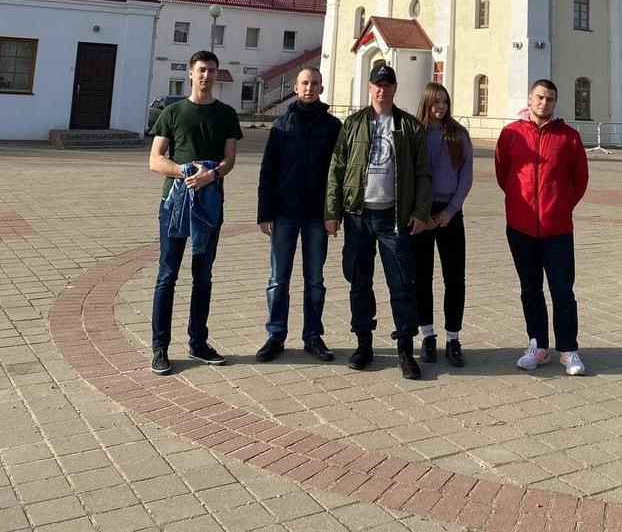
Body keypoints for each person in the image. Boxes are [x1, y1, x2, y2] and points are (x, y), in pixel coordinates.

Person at [325, 62, 432, 379]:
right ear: (370, 88)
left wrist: (420, 211)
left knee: (401, 284)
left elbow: (424, 173)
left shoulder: (410, 126)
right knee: (359, 282)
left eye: (387, 85)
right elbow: (337, 168)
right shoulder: (354, 124)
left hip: (394, 218)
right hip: (358, 216)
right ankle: (364, 344)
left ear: (395, 88)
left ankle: (404, 350)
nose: (382, 90)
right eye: (377, 85)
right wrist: (332, 212)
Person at [148, 50, 243, 375]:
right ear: (190, 73)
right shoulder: (172, 113)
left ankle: (198, 342)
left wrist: (212, 175)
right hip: (174, 204)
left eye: (212, 71)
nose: (206, 76)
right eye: (201, 70)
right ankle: (160, 347)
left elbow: (229, 160)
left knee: (202, 276)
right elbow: (155, 159)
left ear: (217, 75)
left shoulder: (227, 114)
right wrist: (185, 172)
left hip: (210, 204)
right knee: (167, 275)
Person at [495, 79, 589, 374]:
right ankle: (537, 346)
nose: (543, 103)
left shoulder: (569, 137)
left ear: (554, 102)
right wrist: (518, 204)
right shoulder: (511, 134)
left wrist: (560, 205)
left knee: (563, 291)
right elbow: (503, 173)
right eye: (539, 97)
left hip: (557, 228)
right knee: (530, 289)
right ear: (529, 99)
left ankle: (568, 350)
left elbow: (580, 179)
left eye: (549, 99)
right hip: (521, 228)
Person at [255, 67, 341, 362]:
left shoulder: (332, 126)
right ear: (295, 88)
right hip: (284, 214)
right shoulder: (281, 125)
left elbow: (336, 174)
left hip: (317, 215)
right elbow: (268, 171)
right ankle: (275, 335)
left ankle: (313, 335)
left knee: (314, 279)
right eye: (305, 83)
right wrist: (264, 211)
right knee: (278, 278)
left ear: (321, 87)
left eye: (315, 83)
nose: (309, 88)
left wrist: (334, 212)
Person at [412, 83, 473, 367]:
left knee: (454, 278)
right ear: (426, 103)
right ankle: (427, 335)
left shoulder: (458, 135)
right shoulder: (415, 134)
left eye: (445, 103)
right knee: (422, 277)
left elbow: (466, 177)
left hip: (450, 213)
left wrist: (451, 210)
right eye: (436, 102)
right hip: (422, 214)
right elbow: (408, 174)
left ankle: (453, 338)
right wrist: (419, 213)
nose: (441, 108)